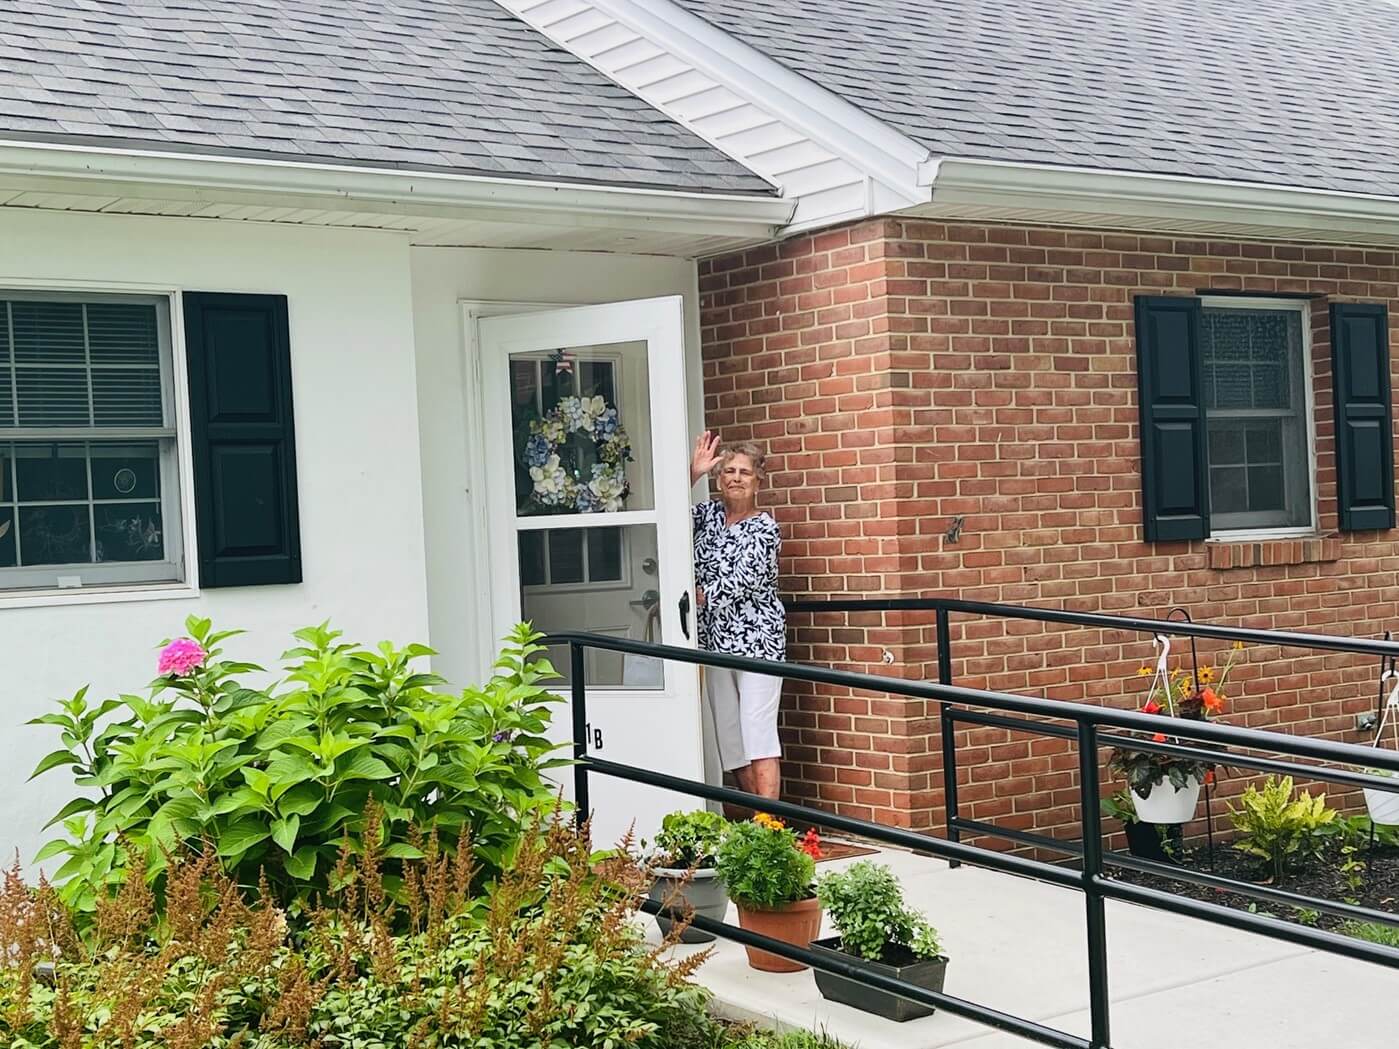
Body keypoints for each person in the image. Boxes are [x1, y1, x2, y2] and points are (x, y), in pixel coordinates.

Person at [690, 431, 785, 801]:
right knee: (730, 739)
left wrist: (700, 597)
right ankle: (758, 822)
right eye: (728, 470)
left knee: (757, 733)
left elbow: (747, 578)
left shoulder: (764, 527)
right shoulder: (708, 515)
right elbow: (663, 519)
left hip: (757, 643)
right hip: (714, 643)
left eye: (744, 472)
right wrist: (691, 474)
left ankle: (770, 830)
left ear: (758, 479)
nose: (735, 478)